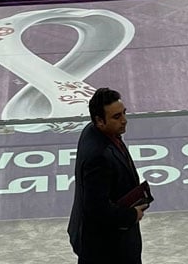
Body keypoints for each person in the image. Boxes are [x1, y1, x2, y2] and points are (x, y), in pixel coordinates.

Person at [68, 88, 149, 264]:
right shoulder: (98, 156)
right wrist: (131, 215)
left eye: (124, 113)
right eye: (116, 117)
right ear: (99, 121)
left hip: (108, 241)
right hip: (106, 249)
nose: (124, 121)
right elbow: (96, 209)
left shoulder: (95, 131)